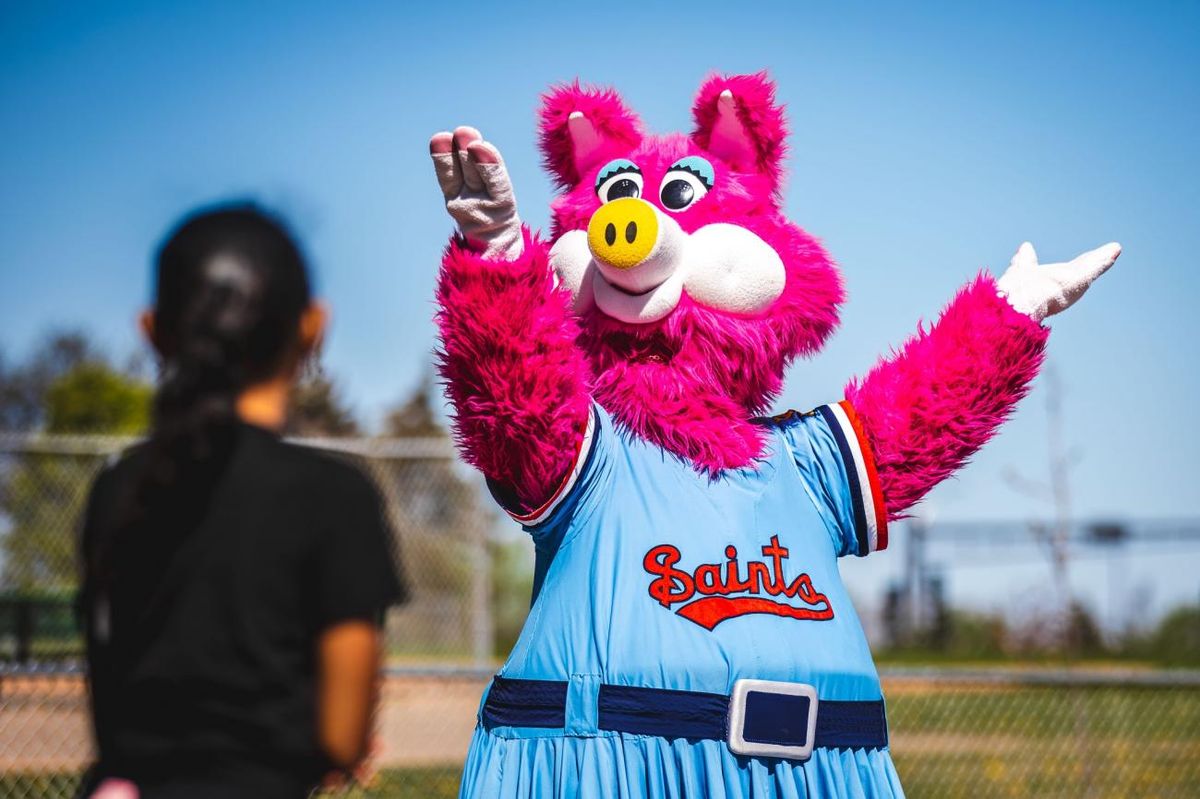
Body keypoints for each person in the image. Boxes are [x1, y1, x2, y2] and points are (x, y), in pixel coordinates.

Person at [76, 204, 405, 799]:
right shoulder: (334, 498)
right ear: (312, 327)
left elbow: (110, 711)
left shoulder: (116, 490)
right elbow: (343, 737)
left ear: (153, 331)